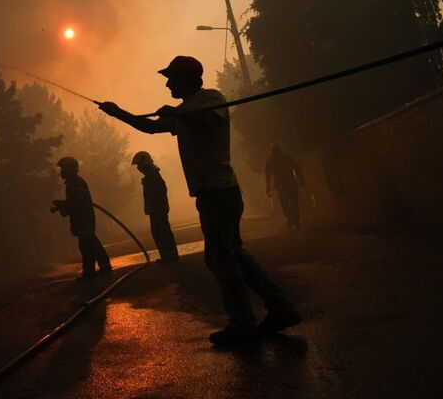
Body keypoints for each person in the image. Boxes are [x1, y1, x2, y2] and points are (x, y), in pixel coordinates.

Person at [97, 56, 301, 346]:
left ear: (188, 78)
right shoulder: (184, 111)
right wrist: (118, 112)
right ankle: (280, 308)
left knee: (220, 257)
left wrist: (178, 115)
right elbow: (151, 127)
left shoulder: (210, 99)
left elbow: (207, 120)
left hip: (218, 190)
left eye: (171, 78)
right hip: (214, 192)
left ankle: (243, 323)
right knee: (233, 253)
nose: (167, 84)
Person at [51, 156, 112, 281]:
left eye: (63, 168)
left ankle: (102, 268)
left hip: (83, 219)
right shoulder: (75, 182)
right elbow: (76, 201)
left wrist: (64, 206)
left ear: (69, 168)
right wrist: (63, 204)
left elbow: (77, 203)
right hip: (83, 218)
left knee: (89, 244)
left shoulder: (74, 183)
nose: (61, 172)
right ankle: (90, 272)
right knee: (87, 246)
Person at [131, 151, 180, 263]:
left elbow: (158, 192)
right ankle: (168, 255)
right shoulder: (152, 175)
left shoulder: (152, 176)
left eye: (139, 165)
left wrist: (155, 206)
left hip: (157, 209)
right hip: (157, 209)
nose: (138, 168)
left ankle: (169, 256)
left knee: (161, 232)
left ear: (144, 163)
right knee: (161, 231)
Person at [265, 143, 304, 229]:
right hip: (290, 183)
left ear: (272, 151)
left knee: (285, 203)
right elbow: (296, 168)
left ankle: (290, 218)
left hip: (281, 186)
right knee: (294, 202)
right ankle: (295, 221)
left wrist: (268, 186)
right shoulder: (287, 158)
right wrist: (300, 180)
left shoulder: (270, 160)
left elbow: (268, 175)